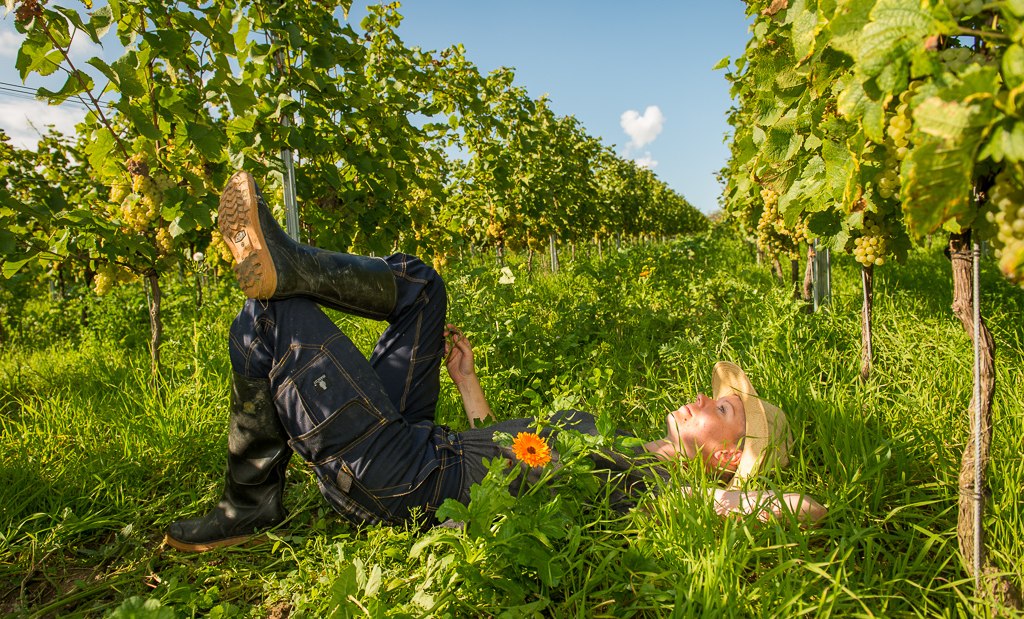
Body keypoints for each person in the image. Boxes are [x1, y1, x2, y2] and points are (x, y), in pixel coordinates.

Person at [164, 171, 826, 553]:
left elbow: (803, 507)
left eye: (721, 410)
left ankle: (249, 503)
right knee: (423, 286)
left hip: (401, 479)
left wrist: (738, 489)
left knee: (271, 318)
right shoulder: (619, 435)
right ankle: (293, 265)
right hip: (429, 439)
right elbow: (516, 454)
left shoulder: (665, 490)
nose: (701, 400)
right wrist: (468, 381)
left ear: (722, 456)